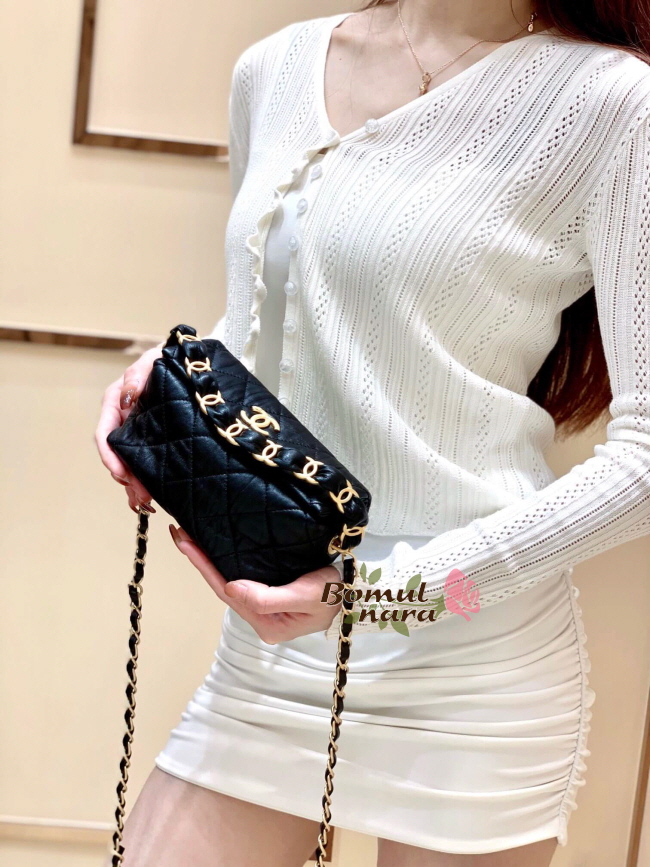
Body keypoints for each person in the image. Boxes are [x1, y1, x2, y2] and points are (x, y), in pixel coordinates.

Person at [96, 1, 650, 864]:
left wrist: (383, 597)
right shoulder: (276, 67)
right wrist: (172, 378)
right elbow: (290, 317)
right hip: (279, 650)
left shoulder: (613, 103)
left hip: (472, 665)